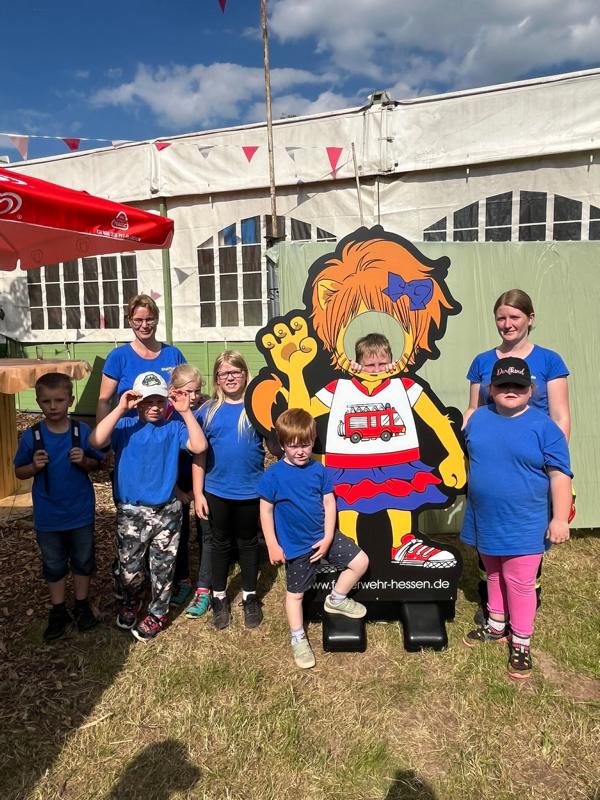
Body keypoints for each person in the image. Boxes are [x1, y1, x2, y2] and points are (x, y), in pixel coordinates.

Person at [460, 357, 572, 680]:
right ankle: (497, 624)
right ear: (491, 388)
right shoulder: (477, 419)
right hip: (484, 518)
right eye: (503, 385)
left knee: (520, 582)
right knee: (493, 573)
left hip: (525, 522)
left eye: (519, 386)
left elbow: (560, 475)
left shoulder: (544, 427)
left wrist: (560, 518)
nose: (511, 390)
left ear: (531, 390)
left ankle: (521, 640)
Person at [463, 289, 572, 615]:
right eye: (501, 317)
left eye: (514, 317)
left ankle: (525, 597)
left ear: (530, 318)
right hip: (492, 461)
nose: (507, 324)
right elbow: (473, 410)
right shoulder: (482, 362)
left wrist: (555, 465)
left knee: (527, 536)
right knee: (489, 534)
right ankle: (491, 603)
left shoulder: (549, 360)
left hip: (532, 466)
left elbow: (560, 416)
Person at [89, 371, 207, 642]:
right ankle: (131, 600)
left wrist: (185, 412)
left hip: (167, 511)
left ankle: (158, 613)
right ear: (137, 401)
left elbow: (199, 446)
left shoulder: (173, 428)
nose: (154, 407)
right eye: (147, 401)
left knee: (163, 568)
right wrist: (120, 407)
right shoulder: (125, 426)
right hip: (132, 512)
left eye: (159, 401)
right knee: (129, 570)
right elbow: (95, 441)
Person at [258, 408, 369, 670]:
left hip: (324, 536)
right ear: (282, 444)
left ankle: (337, 599)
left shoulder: (319, 470)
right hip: (297, 547)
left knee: (361, 562)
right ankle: (298, 637)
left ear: (312, 442)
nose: (300, 451)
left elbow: (329, 504)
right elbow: (266, 511)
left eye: (305, 445)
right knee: (295, 595)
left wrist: (329, 537)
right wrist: (272, 544)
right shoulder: (273, 475)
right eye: (293, 446)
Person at [14, 373, 103, 641]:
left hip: (80, 512)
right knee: (53, 564)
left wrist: (84, 460)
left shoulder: (81, 432)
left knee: (83, 560)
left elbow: (98, 464)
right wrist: (34, 466)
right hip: (48, 516)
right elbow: (19, 471)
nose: (53, 406)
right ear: (38, 402)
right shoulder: (32, 437)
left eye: (59, 400)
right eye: (46, 401)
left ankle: (82, 604)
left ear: (70, 400)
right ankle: (58, 609)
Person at [193, 351, 264, 630]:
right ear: (217, 379)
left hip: (250, 491)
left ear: (245, 375)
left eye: (236, 372)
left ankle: (250, 596)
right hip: (216, 491)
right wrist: (198, 493)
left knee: (248, 543)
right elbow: (198, 456)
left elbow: (273, 445)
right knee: (219, 543)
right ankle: (219, 597)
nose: (230, 377)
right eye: (224, 373)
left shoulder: (256, 409)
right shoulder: (207, 411)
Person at [165, 364, 212, 616]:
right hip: (176, 482)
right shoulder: (166, 416)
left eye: (197, 391)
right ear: (173, 390)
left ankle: (206, 583)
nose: (193, 397)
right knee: (179, 532)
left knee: (206, 531)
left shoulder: (204, 412)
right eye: (187, 391)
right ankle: (182, 578)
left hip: (203, 480)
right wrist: (177, 491)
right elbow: (162, 461)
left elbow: (202, 451)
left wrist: (198, 490)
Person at [96, 294, 186, 424]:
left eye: (149, 319)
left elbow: (187, 393)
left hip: (170, 431)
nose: (144, 325)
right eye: (138, 320)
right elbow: (104, 401)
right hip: (131, 432)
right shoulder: (118, 356)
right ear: (130, 321)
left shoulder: (173, 354)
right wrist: (101, 434)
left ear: (157, 319)